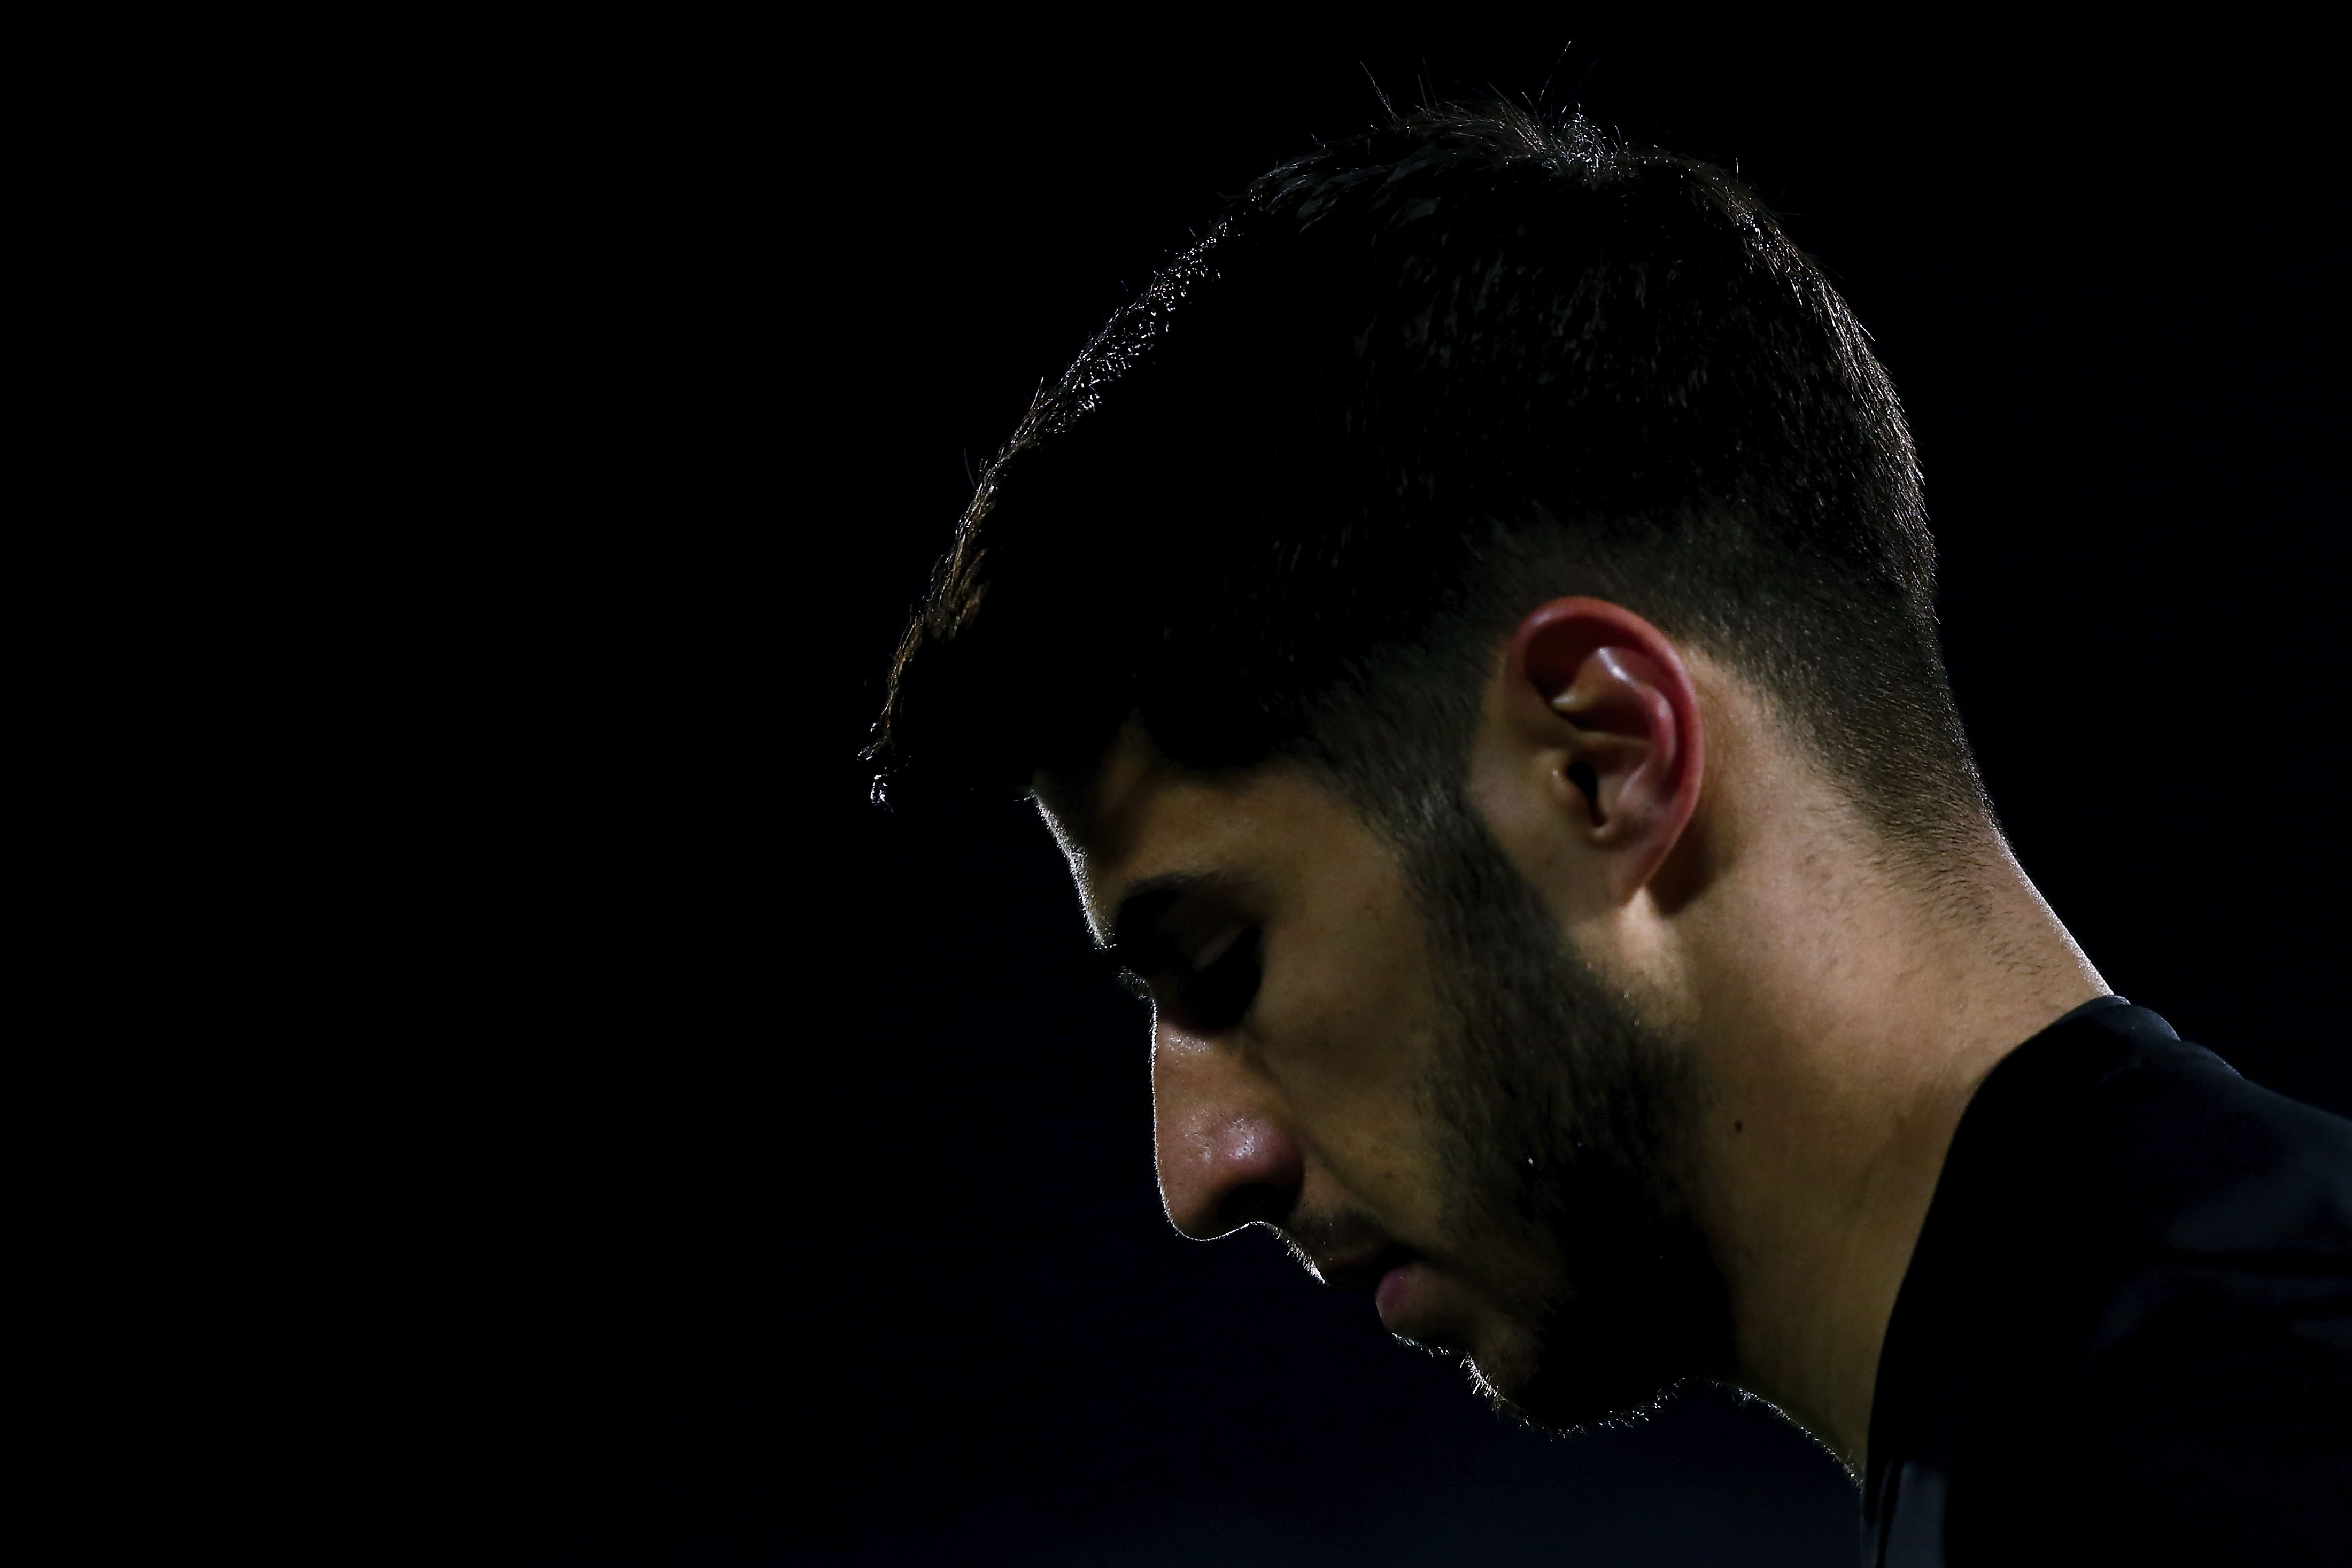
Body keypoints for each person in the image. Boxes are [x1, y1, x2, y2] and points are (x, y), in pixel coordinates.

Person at [867, 102, 2352, 1564]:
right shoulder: (2177, 1379)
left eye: (1223, 966)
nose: (1201, 1169)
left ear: (1604, 762)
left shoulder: (2195, 1468)